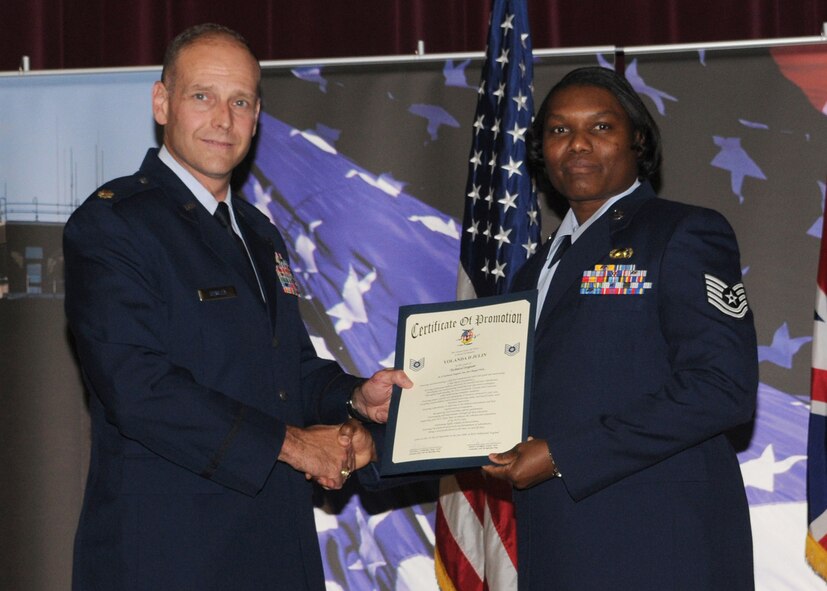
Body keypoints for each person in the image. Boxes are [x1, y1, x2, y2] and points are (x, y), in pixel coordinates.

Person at [64, 23, 410, 591]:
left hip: (276, 548)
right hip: (168, 558)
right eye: (202, 96)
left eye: (241, 101)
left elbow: (289, 371)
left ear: (257, 116)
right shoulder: (114, 223)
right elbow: (137, 386)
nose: (223, 118)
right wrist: (298, 446)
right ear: (161, 102)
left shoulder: (258, 233)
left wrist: (353, 396)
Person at [482, 66, 758, 590]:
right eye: (559, 130)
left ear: (637, 140)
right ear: (542, 150)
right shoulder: (531, 269)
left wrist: (565, 454)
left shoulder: (682, 232)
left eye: (601, 127)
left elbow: (722, 388)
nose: (578, 144)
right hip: (558, 548)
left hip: (661, 552)